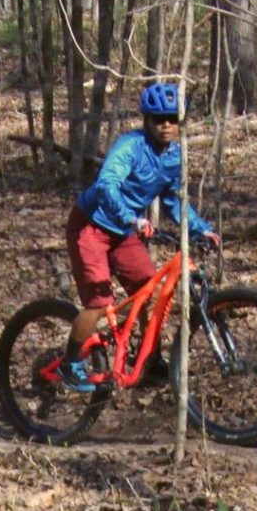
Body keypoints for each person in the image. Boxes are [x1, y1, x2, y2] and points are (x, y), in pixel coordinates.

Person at [58, 80, 219, 392]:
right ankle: (70, 363)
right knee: (98, 300)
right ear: (147, 121)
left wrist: (201, 229)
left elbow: (173, 199)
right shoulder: (130, 147)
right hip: (91, 225)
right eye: (159, 120)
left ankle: (150, 359)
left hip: (123, 232)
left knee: (149, 291)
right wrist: (132, 219)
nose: (166, 126)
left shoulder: (174, 157)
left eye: (173, 119)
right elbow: (107, 185)